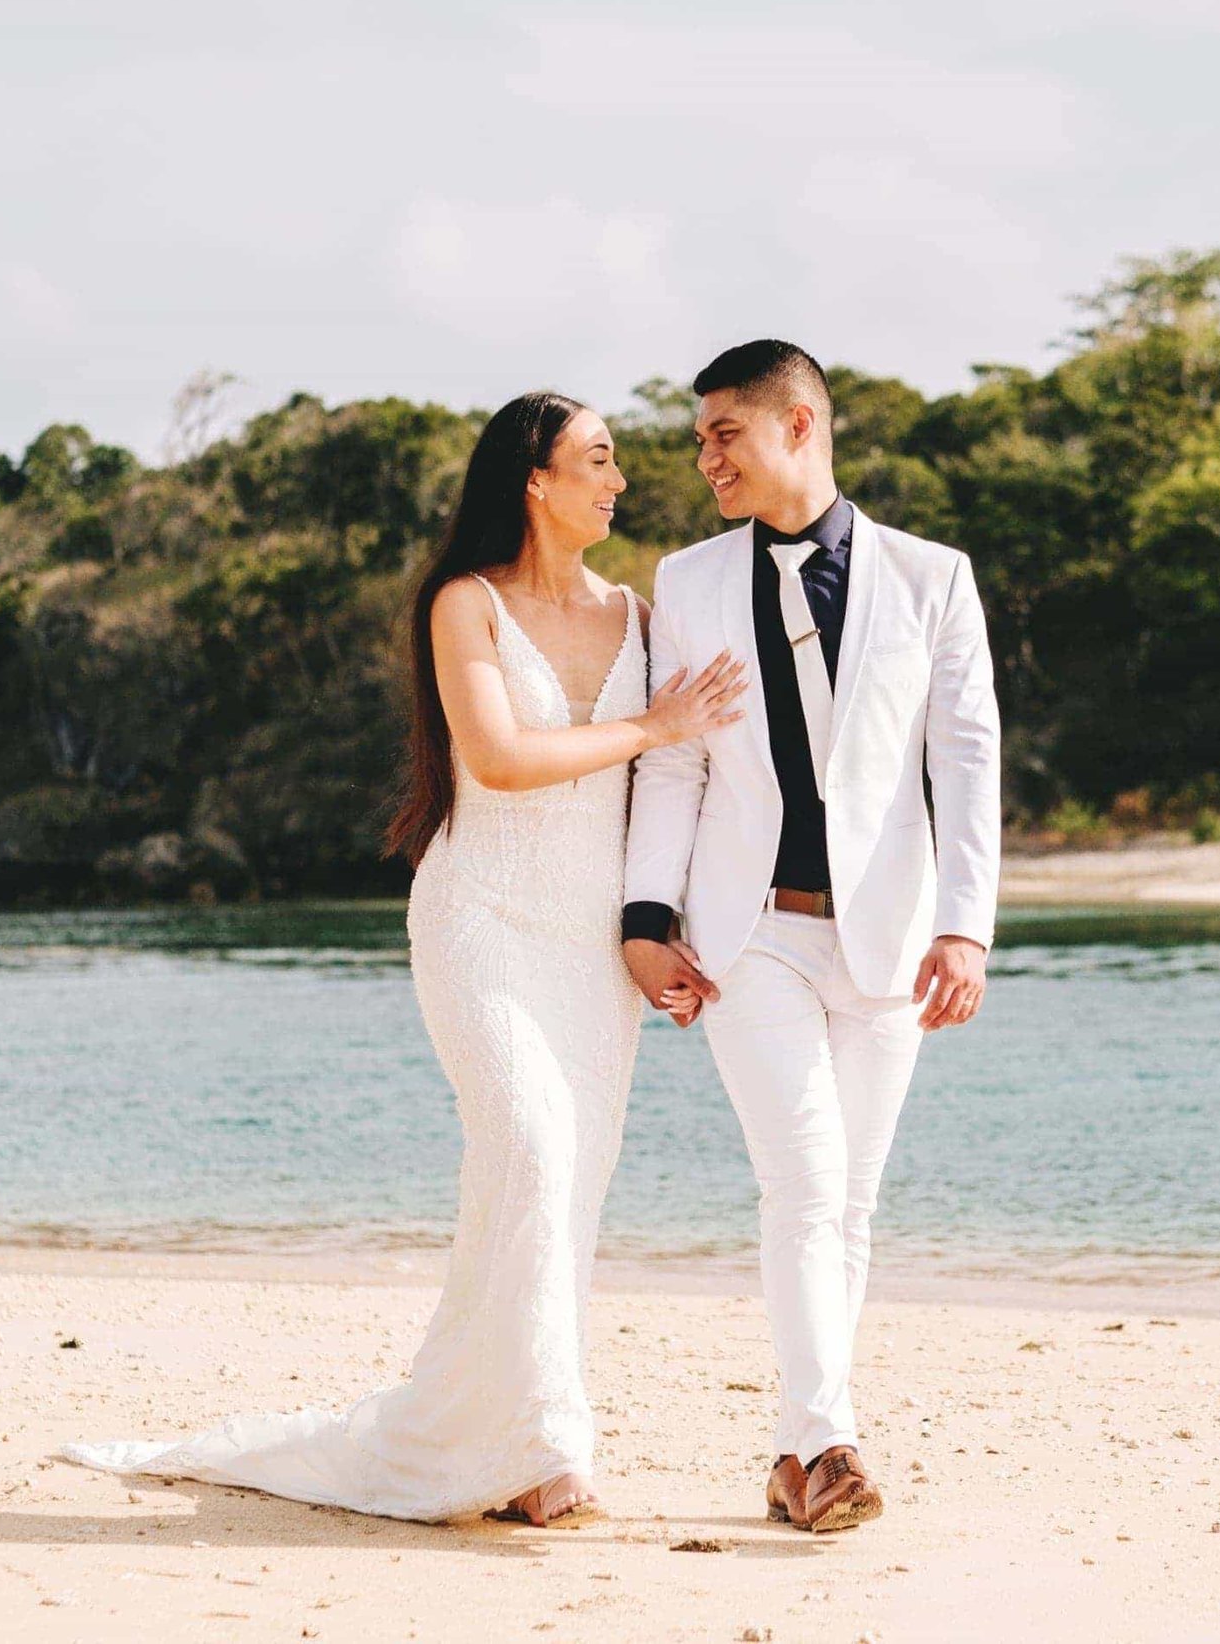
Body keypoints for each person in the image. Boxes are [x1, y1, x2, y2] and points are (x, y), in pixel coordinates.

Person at [62, 392, 747, 1527]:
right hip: (480, 916)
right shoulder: (462, 604)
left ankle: (529, 1432)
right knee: (528, 1143)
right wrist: (651, 727)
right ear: (534, 479)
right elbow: (501, 754)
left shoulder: (641, 611)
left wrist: (662, 925)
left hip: (588, 944)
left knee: (562, 1181)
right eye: (600, 460)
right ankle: (531, 1446)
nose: (620, 481)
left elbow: (680, 793)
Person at [620, 340, 1001, 1533]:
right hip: (750, 935)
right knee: (805, 1181)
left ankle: (798, 1456)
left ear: (798, 424)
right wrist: (645, 919)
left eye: (722, 433)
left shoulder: (932, 578)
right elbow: (676, 760)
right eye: (697, 439)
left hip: (889, 943)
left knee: (852, 1202)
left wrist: (965, 926)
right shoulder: (684, 582)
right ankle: (830, 1441)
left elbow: (967, 757)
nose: (704, 458)